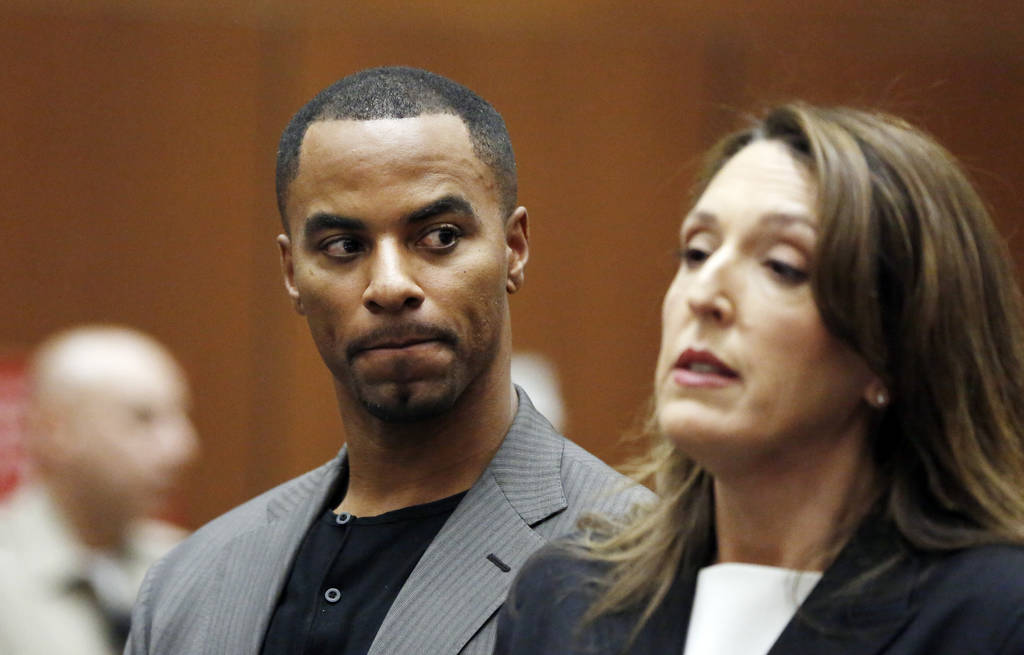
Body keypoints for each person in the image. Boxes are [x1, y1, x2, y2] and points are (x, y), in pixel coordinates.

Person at [126, 66, 650, 655]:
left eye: (440, 236)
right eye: (344, 246)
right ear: (292, 274)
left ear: (514, 248)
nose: (390, 285)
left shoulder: (637, 567)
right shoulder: (187, 585)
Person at [496, 103, 1024, 654]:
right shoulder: (563, 600)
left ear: (892, 348)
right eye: (697, 252)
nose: (704, 294)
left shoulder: (995, 617)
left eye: (781, 266)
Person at [0, 325, 199, 655]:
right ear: (55, 430)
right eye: (143, 418)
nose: (181, 448)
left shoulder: (189, 565)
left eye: (181, 416)